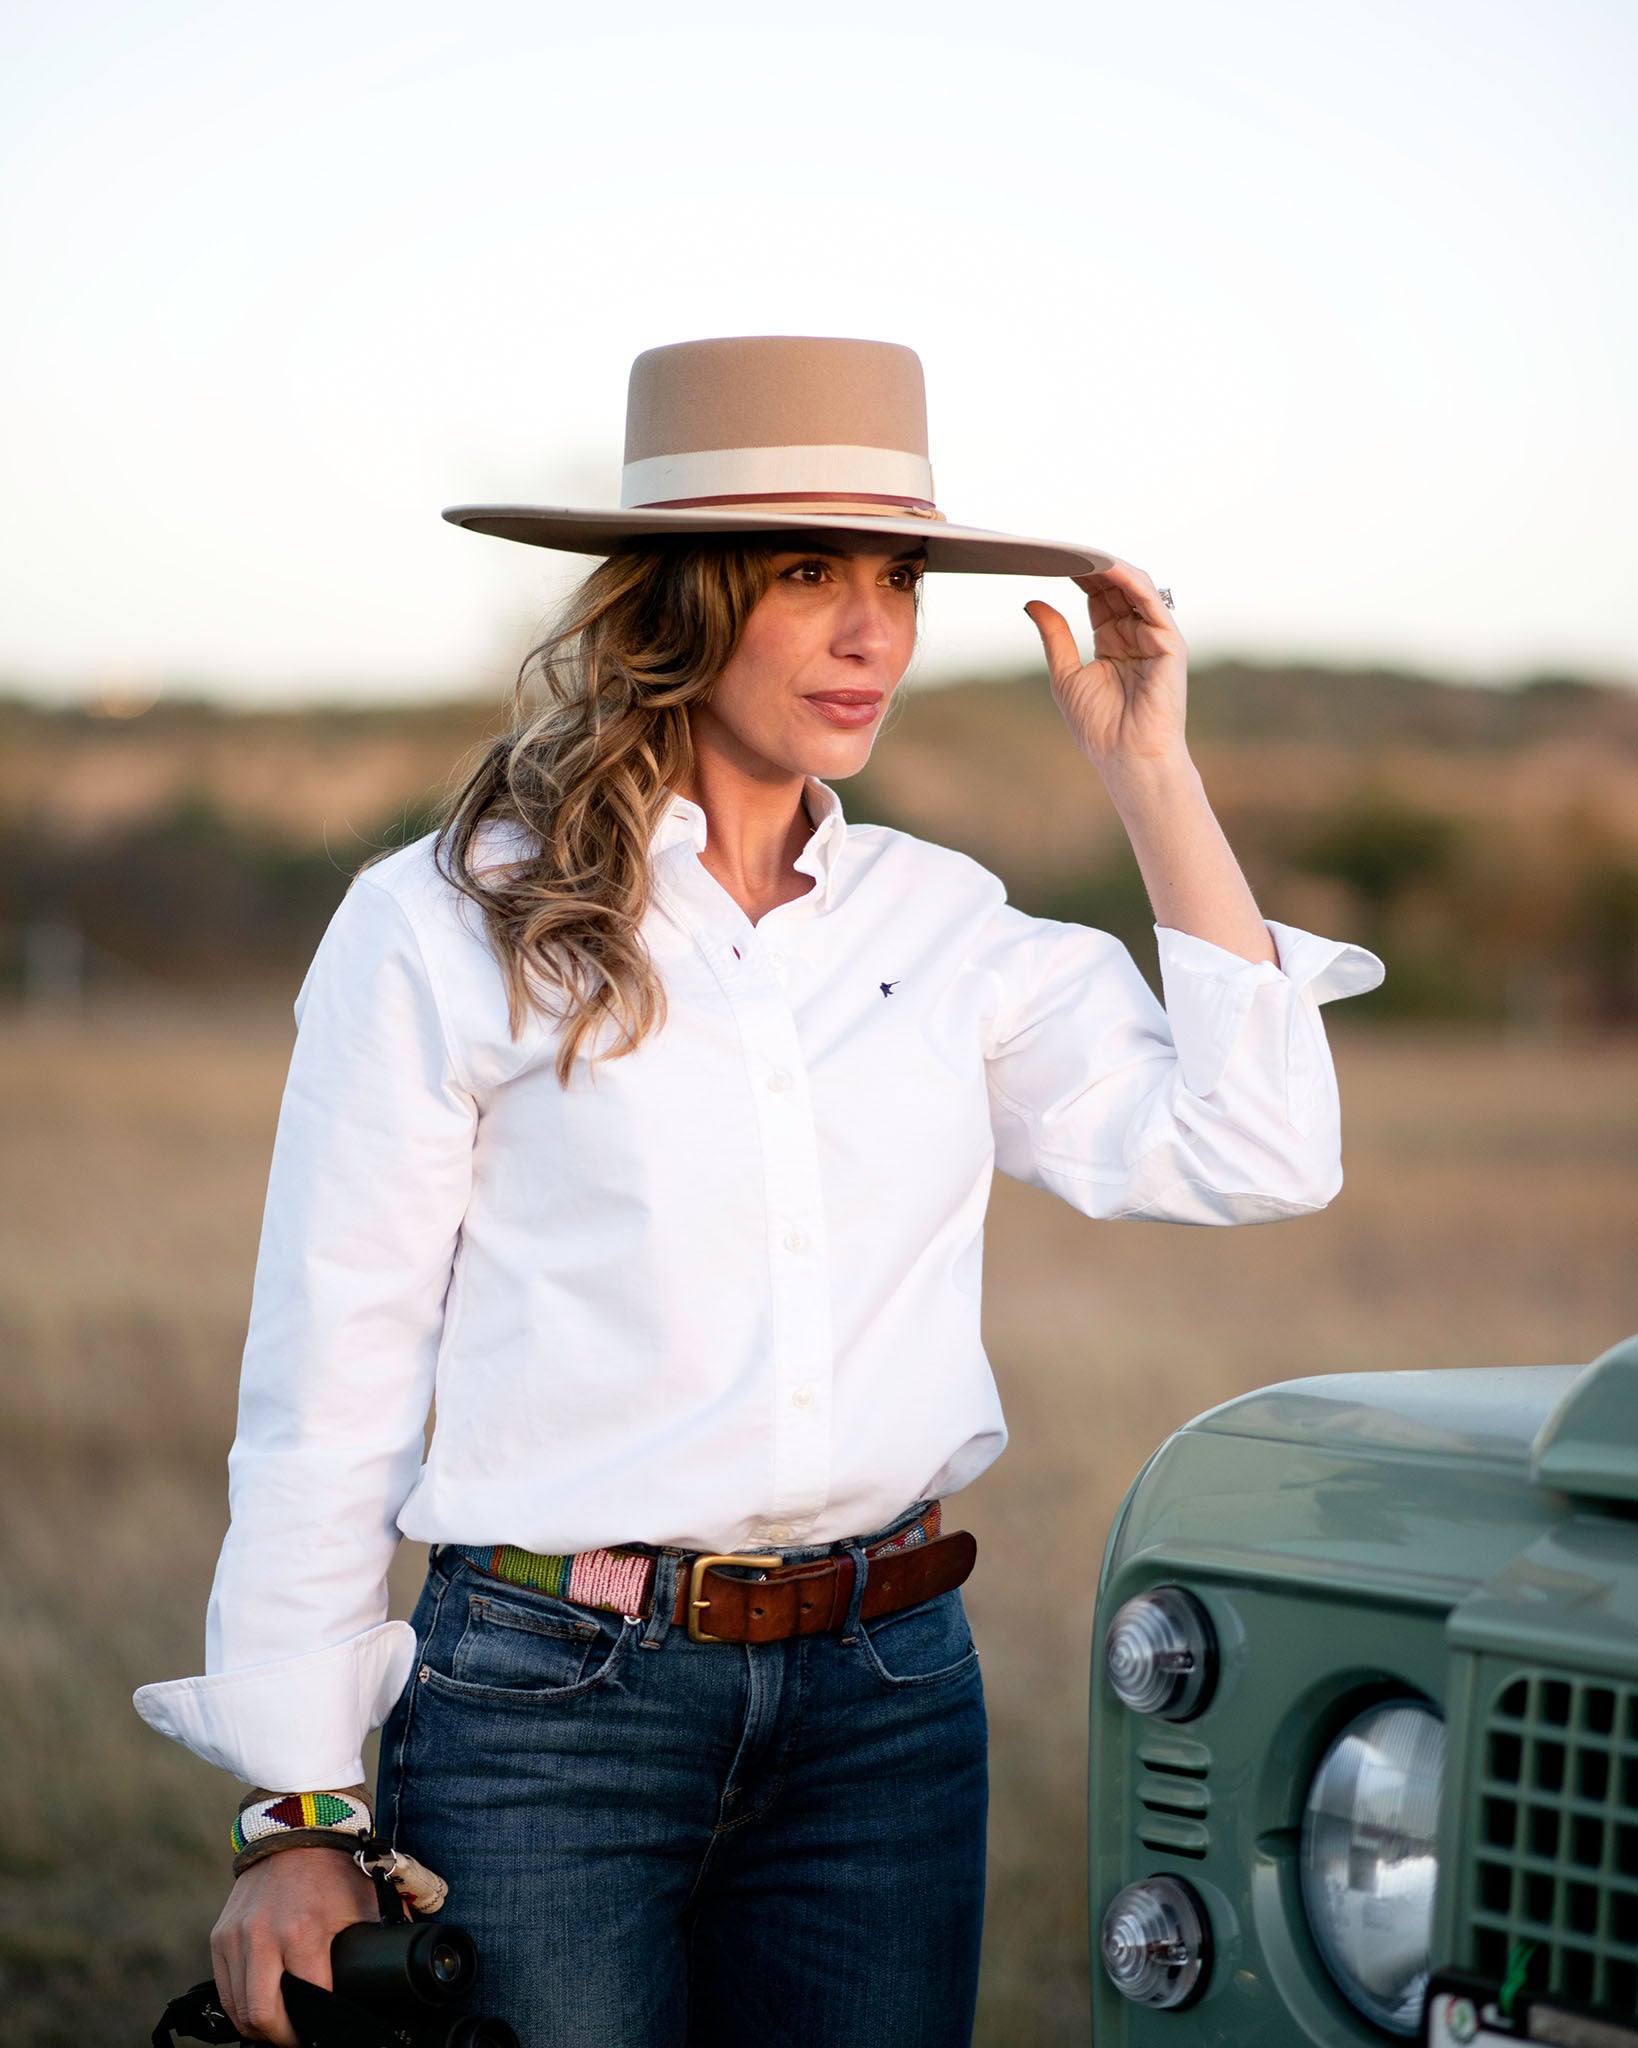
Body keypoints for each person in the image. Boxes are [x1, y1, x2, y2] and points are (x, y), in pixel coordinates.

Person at [135, 334, 1382, 2047]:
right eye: (808, 574)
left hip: (888, 1697)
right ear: (676, 598)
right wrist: (297, 1810)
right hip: (545, 1709)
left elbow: (1255, 1153)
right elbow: (330, 1367)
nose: (873, 630)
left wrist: (1146, 771)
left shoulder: (943, 925)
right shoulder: (445, 921)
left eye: (898, 575)